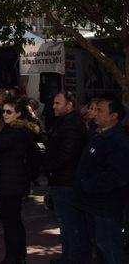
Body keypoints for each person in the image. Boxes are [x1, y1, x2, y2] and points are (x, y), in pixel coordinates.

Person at [0, 98, 41, 264]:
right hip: (11, 182)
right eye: (4, 111)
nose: (5, 115)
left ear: (19, 114)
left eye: (9, 112)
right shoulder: (14, 129)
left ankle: (12, 258)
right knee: (14, 222)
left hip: (11, 183)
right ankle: (19, 256)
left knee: (10, 223)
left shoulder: (15, 132)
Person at [74, 94, 129, 264]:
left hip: (106, 207)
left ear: (114, 116)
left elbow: (116, 176)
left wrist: (88, 185)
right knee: (99, 248)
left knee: (109, 248)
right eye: (95, 109)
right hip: (92, 205)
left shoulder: (118, 141)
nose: (95, 113)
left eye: (100, 110)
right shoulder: (97, 135)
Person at [45, 91, 87, 264]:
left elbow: (66, 154)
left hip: (67, 182)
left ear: (69, 105)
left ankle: (72, 258)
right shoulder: (64, 123)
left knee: (69, 223)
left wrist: (47, 164)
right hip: (62, 180)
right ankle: (68, 257)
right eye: (54, 103)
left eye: (58, 103)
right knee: (66, 222)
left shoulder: (72, 125)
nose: (54, 106)